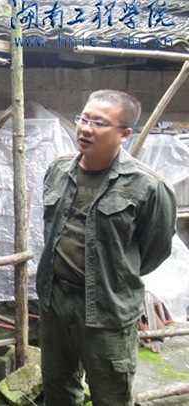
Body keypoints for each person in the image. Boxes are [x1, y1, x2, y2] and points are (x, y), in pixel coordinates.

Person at [37, 90, 177, 406]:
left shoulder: (148, 186)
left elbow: (154, 251)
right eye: (83, 119)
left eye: (99, 123)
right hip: (55, 301)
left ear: (124, 134)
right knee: (57, 386)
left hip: (108, 308)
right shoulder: (59, 170)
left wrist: (113, 274)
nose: (86, 129)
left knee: (111, 394)